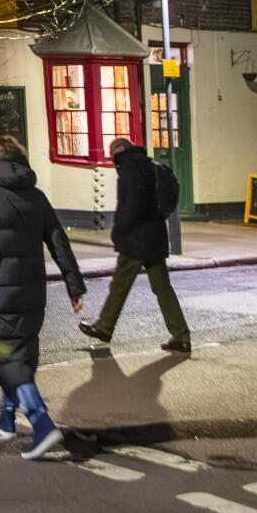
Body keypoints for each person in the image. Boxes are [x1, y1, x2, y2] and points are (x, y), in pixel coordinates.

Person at [0, 134, 87, 461]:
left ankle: (41, 422)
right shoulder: (37, 197)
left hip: (0, 295)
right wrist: (75, 284)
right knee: (20, 354)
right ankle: (6, 417)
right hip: (33, 293)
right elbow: (59, 241)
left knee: (9, 358)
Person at [80, 137, 191, 355]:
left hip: (136, 238)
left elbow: (130, 204)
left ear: (116, 153)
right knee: (162, 288)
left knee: (120, 284)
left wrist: (118, 231)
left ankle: (104, 327)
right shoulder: (149, 165)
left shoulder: (129, 168)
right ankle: (181, 336)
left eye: (112, 156)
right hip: (156, 235)